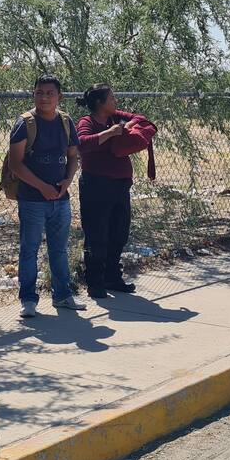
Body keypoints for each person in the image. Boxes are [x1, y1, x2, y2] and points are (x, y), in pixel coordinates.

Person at [7, 75, 87, 318]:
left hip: (60, 200)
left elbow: (73, 156)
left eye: (49, 93)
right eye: (39, 92)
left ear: (59, 97)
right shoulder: (25, 123)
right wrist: (42, 187)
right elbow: (15, 164)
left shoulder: (66, 122)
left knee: (59, 250)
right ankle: (29, 300)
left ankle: (62, 295)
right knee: (29, 250)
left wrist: (67, 181)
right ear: (33, 94)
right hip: (32, 200)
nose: (44, 97)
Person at [76, 84, 157, 299]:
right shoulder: (88, 122)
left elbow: (140, 118)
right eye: (111, 98)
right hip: (96, 186)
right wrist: (110, 133)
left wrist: (129, 126)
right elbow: (81, 143)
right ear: (100, 104)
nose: (116, 102)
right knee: (97, 235)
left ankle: (112, 276)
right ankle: (95, 281)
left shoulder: (114, 116)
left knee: (118, 233)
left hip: (120, 186)